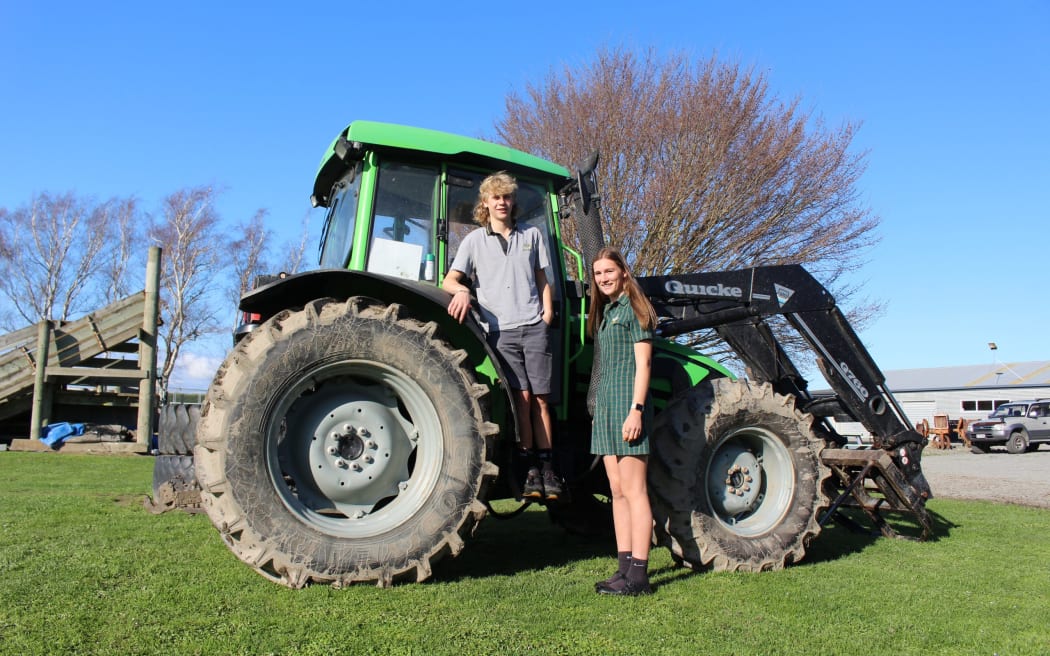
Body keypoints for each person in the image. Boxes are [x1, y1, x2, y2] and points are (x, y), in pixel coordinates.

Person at [442, 171, 562, 501]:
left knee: (540, 398)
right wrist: (462, 292)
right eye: (496, 197)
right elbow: (449, 280)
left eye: (506, 197)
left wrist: (547, 312)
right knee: (521, 400)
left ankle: (548, 466)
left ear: (512, 201)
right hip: (500, 331)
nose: (502, 202)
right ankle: (529, 468)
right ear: (486, 203)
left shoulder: (532, 235)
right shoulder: (474, 241)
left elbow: (542, 279)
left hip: (533, 325)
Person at [588, 247, 657, 596]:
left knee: (634, 491)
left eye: (609, 272)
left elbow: (644, 365)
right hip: (608, 409)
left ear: (624, 273)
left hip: (628, 409)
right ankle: (624, 568)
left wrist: (637, 410)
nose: (603, 278)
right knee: (617, 492)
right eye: (598, 274)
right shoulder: (605, 312)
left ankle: (640, 577)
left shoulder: (634, 310)